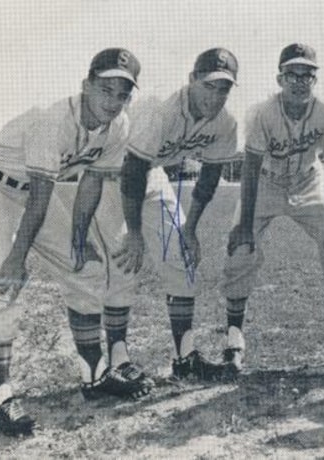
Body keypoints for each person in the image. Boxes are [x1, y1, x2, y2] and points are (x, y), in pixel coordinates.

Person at [0, 48, 152, 436]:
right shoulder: (53, 120)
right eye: (105, 90)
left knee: (88, 267)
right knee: (4, 286)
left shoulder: (119, 126)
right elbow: (40, 199)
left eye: (122, 94)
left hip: (33, 192)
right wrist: (16, 258)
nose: (113, 101)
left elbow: (93, 179)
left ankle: (95, 375)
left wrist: (80, 236)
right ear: (86, 85)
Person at [220, 43, 324, 371]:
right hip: (265, 181)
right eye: (293, 74)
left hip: (308, 181)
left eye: (307, 75)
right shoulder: (261, 113)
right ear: (280, 78)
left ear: (315, 80)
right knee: (239, 248)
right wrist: (244, 224)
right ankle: (234, 341)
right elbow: (249, 167)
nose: (300, 81)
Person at [111, 48, 241, 381]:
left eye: (223, 88)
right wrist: (136, 232)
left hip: (151, 175)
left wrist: (191, 228)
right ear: (191, 81)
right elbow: (132, 171)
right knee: (123, 261)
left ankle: (186, 358)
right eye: (209, 85)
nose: (216, 96)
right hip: (113, 176)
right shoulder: (161, 110)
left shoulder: (225, 123)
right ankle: (117, 359)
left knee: (181, 257)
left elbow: (210, 177)